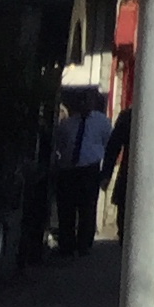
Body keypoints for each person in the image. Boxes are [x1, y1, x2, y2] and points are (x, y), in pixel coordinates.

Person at [51, 92, 112, 255]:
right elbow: (61, 144)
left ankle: (84, 245)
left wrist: (105, 172)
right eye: (82, 101)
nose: (85, 105)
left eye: (88, 101)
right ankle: (67, 244)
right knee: (67, 209)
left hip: (89, 169)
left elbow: (109, 144)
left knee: (87, 208)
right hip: (69, 170)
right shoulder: (69, 124)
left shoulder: (101, 122)